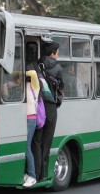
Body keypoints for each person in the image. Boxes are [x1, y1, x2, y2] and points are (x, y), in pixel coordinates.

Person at [32, 41, 64, 181]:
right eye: (57, 52)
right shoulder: (57, 67)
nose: (58, 54)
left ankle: (35, 172)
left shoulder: (37, 64)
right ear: (53, 52)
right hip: (51, 106)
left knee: (37, 140)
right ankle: (43, 174)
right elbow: (61, 86)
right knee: (47, 141)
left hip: (39, 105)